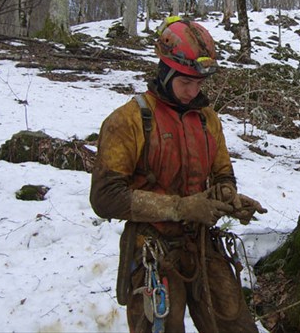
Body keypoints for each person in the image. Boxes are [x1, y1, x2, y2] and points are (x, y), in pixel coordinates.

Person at [90, 17, 267, 333]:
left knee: (236, 326)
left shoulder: (207, 120)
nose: (193, 91)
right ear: (165, 71)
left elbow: (223, 174)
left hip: (200, 244)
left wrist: (228, 198)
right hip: (152, 248)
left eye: (199, 83)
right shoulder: (128, 121)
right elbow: (105, 198)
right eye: (186, 82)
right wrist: (181, 207)